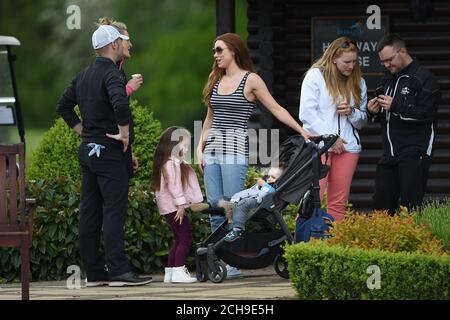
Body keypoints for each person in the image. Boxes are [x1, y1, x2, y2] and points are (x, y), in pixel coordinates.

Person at [197, 33, 311, 278]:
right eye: (214, 51)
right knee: (215, 208)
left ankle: (234, 262)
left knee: (232, 208)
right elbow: (210, 118)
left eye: (219, 50)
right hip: (212, 152)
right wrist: (199, 149)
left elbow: (276, 108)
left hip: (234, 152)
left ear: (234, 52)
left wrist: (302, 131)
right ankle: (217, 260)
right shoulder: (215, 79)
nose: (215, 55)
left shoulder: (251, 80)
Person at [56, 24, 152, 287]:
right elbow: (120, 104)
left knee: (90, 212)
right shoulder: (112, 74)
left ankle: (95, 273)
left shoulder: (84, 75)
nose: (127, 45)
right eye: (124, 41)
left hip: (88, 151)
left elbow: (63, 106)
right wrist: (124, 135)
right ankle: (119, 271)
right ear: (114, 45)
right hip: (108, 153)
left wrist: (85, 132)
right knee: (114, 211)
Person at [367, 34, 440, 214]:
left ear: (402, 51)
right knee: (381, 205)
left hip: (415, 151)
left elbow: (426, 115)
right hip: (390, 152)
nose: (386, 65)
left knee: (411, 205)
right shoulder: (387, 78)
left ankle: (413, 241)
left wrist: (396, 106)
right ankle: (386, 242)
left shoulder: (424, 78)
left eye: (389, 60)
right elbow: (386, 113)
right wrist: (372, 111)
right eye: (383, 61)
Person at [299, 36, 368, 221]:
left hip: (348, 148)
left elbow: (362, 121)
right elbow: (307, 113)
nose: (351, 66)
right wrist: (330, 138)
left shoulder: (359, 82)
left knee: (337, 205)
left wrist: (351, 112)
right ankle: (303, 247)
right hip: (319, 146)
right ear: (333, 58)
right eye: (347, 62)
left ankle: (333, 247)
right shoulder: (315, 75)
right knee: (311, 200)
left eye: (354, 61)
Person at [151, 127, 203, 283]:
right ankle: (179, 271)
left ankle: (171, 272)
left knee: (178, 238)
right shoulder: (171, 163)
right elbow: (174, 186)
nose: (187, 149)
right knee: (185, 237)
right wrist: (181, 205)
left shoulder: (168, 162)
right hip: (174, 207)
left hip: (168, 206)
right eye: (185, 145)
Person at [219, 166, 285, 242]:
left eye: (273, 177)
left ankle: (237, 230)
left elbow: (272, 192)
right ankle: (210, 205)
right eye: (268, 176)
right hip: (249, 200)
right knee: (225, 200)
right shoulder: (264, 183)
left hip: (260, 203)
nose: (269, 179)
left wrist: (264, 185)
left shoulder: (274, 187)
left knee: (243, 204)